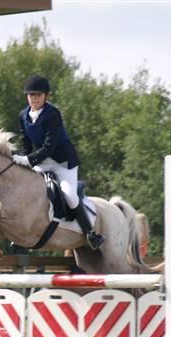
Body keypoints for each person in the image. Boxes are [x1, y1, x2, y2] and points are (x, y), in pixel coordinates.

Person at [12, 75, 105, 250]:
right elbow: (25, 142)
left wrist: (28, 160)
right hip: (42, 161)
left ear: (45, 96)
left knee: (69, 195)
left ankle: (91, 233)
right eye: (31, 95)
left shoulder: (52, 114)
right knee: (26, 188)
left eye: (38, 95)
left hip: (63, 162)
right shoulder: (23, 115)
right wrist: (23, 159)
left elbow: (49, 146)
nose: (34, 98)